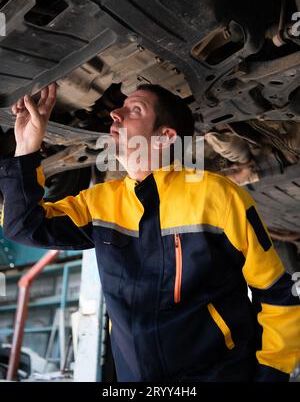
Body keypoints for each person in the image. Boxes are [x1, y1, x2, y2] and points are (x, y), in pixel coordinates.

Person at [0, 82, 299, 382]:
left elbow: (276, 294)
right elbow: (24, 226)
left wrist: (271, 374)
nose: (115, 113)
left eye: (135, 109)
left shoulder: (217, 197)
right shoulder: (100, 203)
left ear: (163, 137)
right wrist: (26, 147)